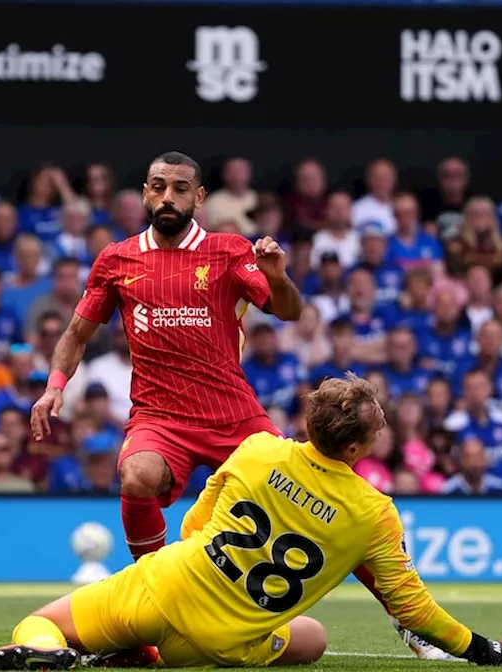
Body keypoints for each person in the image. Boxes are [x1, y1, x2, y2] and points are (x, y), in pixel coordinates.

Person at [0, 375, 502, 670]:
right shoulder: (374, 512)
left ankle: (56, 655)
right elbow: (413, 609)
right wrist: (488, 651)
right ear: (356, 447)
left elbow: (191, 529)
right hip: (226, 642)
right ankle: (152, 653)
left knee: (40, 623)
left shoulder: (258, 448)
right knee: (315, 639)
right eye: (378, 430)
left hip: (163, 587)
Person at [31, 151, 303, 561]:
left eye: (180, 188)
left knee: (306, 491)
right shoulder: (116, 259)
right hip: (159, 416)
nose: (168, 197)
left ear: (199, 197)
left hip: (232, 412)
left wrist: (278, 277)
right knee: (137, 476)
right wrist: (54, 388)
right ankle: (152, 588)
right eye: (158, 188)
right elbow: (75, 334)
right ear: (145, 195)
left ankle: (399, 608)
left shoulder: (228, 251)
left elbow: (289, 311)